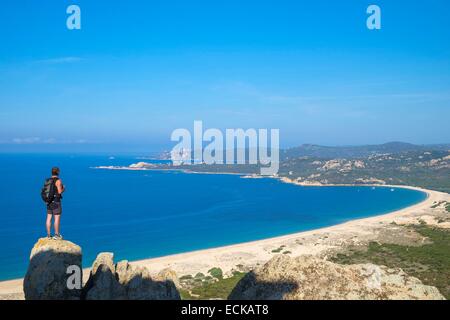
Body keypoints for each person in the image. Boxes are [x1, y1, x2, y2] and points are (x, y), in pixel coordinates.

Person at [45, 167, 65, 240]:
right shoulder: (58, 181)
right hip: (56, 201)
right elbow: (59, 192)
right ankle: (56, 235)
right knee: (56, 218)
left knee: (48, 218)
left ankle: (48, 235)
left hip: (49, 201)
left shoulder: (48, 180)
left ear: (51, 172)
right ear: (58, 172)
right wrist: (64, 189)